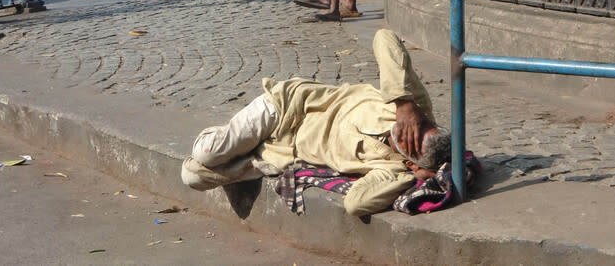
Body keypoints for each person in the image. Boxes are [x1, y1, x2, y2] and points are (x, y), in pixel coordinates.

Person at [181, 29, 451, 217]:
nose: (404, 131)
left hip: (280, 153)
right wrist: (404, 103)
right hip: (287, 107)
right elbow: (385, 37)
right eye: (417, 126)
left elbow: (357, 204)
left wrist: (409, 179)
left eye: (408, 140)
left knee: (191, 176)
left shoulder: (393, 170)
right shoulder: (414, 106)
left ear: (412, 161)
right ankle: (229, 138)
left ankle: (242, 150)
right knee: (204, 152)